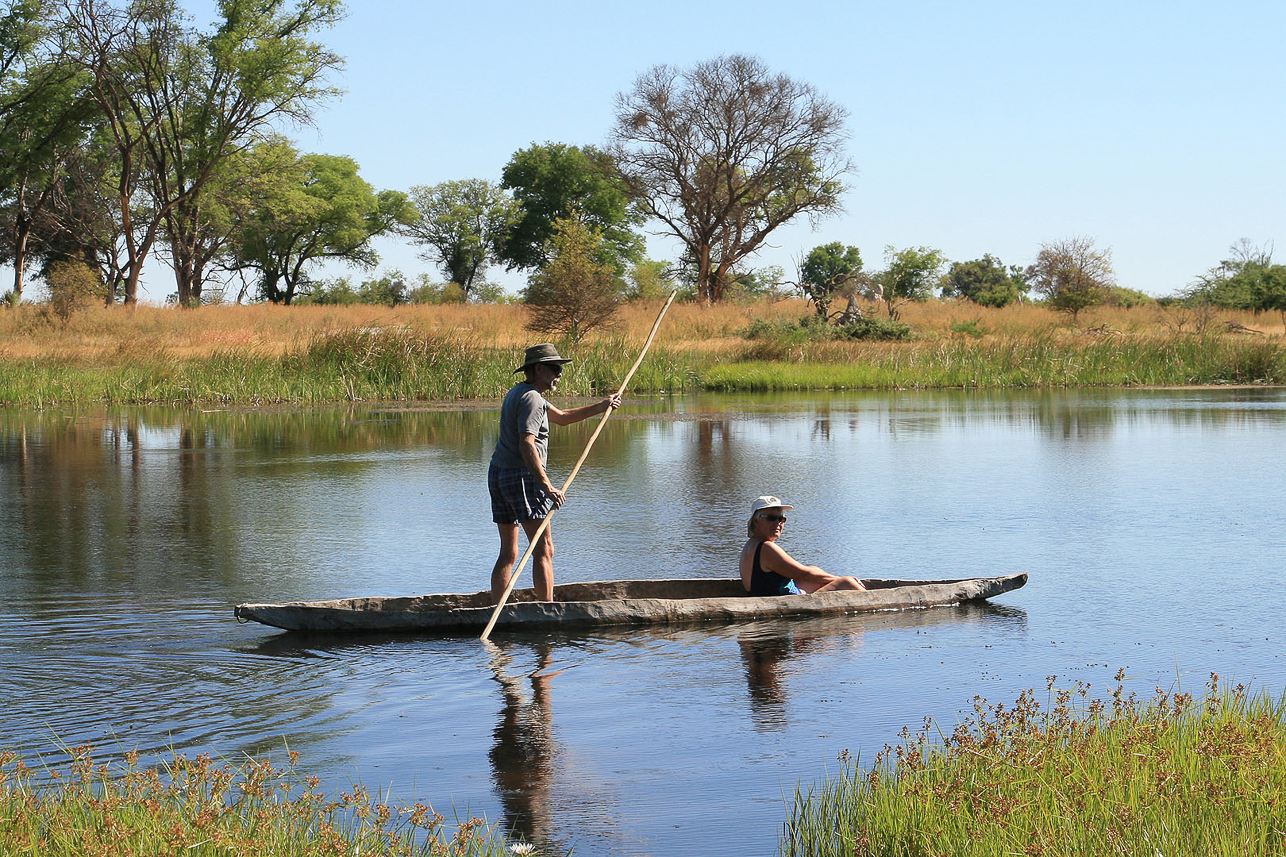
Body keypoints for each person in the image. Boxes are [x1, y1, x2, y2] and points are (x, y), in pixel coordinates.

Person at [490, 343, 621, 604]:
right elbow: (526, 443)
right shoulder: (532, 399)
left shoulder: (520, 392)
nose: (559, 374)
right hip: (522, 478)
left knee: (509, 552)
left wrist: (602, 406)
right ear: (538, 369)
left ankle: (496, 610)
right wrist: (547, 485)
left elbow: (561, 417)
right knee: (544, 549)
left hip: (499, 474)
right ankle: (546, 612)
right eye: (555, 369)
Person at [739, 496, 864, 595]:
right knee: (847, 582)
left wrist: (831, 580)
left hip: (773, 594)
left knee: (815, 570)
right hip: (782, 601)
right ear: (756, 521)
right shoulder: (766, 548)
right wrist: (839, 580)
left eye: (781, 519)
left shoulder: (752, 544)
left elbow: (805, 573)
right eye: (771, 518)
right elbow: (804, 574)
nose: (778, 523)